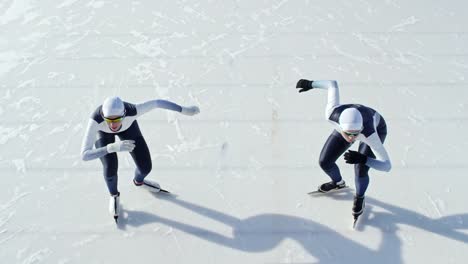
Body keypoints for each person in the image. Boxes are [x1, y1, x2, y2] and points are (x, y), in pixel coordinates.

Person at [81, 96, 200, 220]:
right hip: (103, 134)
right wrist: (110, 148)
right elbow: (84, 155)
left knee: (145, 167)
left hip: (129, 128)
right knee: (110, 166)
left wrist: (184, 110)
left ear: (124, 114)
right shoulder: (95, 120)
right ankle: (114, 195)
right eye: (108, 120)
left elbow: (157, 102)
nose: (113, 124)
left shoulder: (133, 110)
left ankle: (139, 182)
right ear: (103, 116)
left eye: (117, 119)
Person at [296, 79, 391, 218]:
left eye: (355, 134)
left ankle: (360, 196)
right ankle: (338, 183)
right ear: (340, 126)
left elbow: (387, 166)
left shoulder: (370, 134)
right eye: (349, 134)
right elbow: (331, 84)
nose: (352, 138)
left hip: (377, 127)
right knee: (324, 162)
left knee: (360, 169)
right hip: (351, 127)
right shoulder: (331, 114)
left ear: (361, 129)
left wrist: (364, 159)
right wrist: (311, 84)